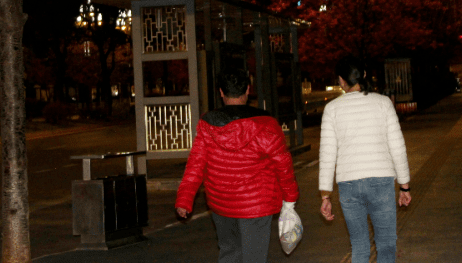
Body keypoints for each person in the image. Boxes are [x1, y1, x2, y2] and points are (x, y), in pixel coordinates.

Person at [176, 67, 299, 263]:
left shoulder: (208, 123)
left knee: (229, 253)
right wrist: (290, 198)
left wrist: (184, 198)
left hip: (221, 203)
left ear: (221, 92)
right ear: (248, 90)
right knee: (254, 258)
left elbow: (196, 164)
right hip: (256, 206)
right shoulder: (266, 123)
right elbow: (283, 165)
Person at [319, 55, 411, 263]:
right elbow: (397, 146)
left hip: (348, 184)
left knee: (359, 246)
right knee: (386, 243)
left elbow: (327, 155)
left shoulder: (332, 109)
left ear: (341, 80)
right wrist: (404, 186)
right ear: (365, 75)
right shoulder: (383, 103)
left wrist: (326, 195)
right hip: (381, 181)